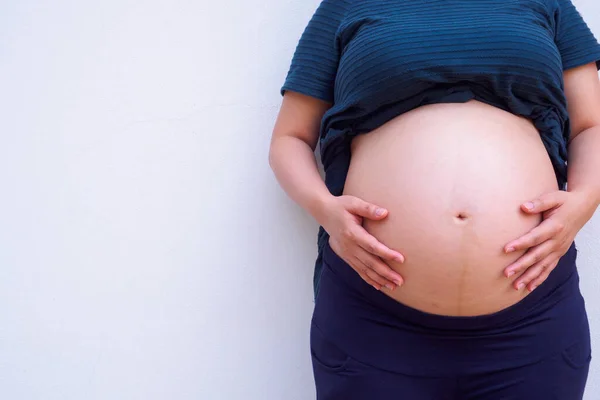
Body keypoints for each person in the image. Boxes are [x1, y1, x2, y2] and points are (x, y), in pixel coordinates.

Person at [268, 0, 600, 398]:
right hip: (374, 321)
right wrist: (325, 210)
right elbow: (290, 139)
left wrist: (584, 201)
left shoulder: (547, 3)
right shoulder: (348, 5)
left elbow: (590, 125)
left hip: (531, 318)